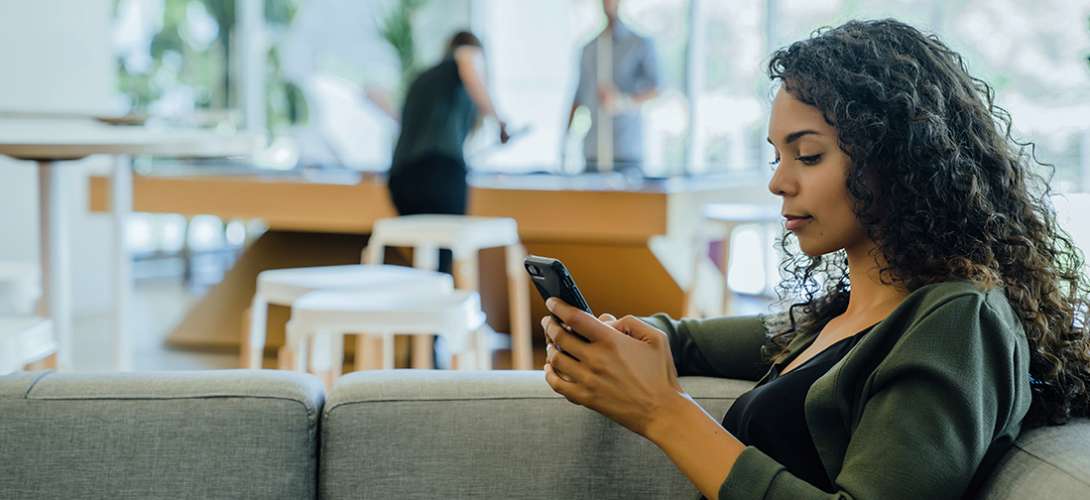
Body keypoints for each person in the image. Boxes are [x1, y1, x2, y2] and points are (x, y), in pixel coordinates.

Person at [540, 19, 1090, 499]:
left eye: (808, 155)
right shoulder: (838, 316)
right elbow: (682, 339)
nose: (779, 181)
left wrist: (663, 412)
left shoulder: (958, 320)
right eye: (777, 155)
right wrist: (605, 335)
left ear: (895, 158)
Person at [387, 30, 510, 274]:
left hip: (400, 180)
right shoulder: (462, 61)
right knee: (443, 262)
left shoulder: (422, 78)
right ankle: (438, 307)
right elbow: (467, 62)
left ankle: (423, 307)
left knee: (425, 259)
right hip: (438, 174)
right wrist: (499, 121)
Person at [565, 0, 660, 175]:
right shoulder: (588, 48)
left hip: (626, 153)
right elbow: (578, 96)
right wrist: (565, 143)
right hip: (593, 154)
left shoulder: (640, 44)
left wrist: (622, 102)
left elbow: (656, 89)